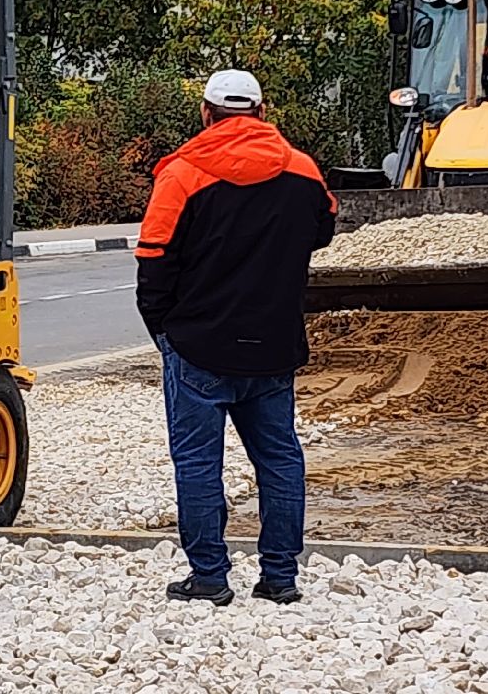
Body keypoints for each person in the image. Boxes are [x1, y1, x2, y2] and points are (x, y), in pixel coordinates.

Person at [135, 70, 338, 606]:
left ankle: (209, 577)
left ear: (206, 113)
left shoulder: (181, 174)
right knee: (279, 459)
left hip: (199, 345)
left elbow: (153, 260)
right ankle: (280, 577)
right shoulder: (303, 170)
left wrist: (164, 331)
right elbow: (324, 228)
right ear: (262, 111)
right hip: (273, 345)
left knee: (199, 463)